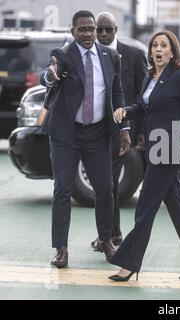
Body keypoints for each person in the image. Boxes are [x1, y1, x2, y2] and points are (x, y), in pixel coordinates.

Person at [108, 30, 180, 282]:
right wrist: (124, 112)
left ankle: (128, 263)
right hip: (153, 149)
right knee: (177, 206)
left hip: (168, 149)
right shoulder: (151, 76)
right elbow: (145, 107)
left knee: (144, 207)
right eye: (155, 45)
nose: (158, 49)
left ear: (173, 51)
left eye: (163, 45)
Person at [42, 10, 127, 268]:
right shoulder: (63, 55)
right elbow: (50, 73)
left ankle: (106, 241)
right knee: (63, 191)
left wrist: (124, 129)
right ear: (73, 32)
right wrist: (50, 74)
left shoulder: (110, 56)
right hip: (66, 133)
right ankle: (61, 250)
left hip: (98, 133)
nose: (89, 34)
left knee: (105, 189)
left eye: (92, 29)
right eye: (83, 30)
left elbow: (118, 93)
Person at [90, 11, 147, 250]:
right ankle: (110, 234)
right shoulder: (89, 55)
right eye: (99, 30)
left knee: (110, 183)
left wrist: (141, 132)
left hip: (122, 132)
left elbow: (144, 97)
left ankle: (112, 234)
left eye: (107, 29)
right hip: (94, 130)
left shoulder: (133, 55)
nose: (103, 34)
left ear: (116, 30)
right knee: (104, 184)